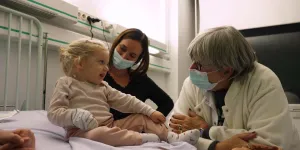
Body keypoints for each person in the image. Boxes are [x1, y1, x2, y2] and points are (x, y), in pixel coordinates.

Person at [47, 39, 201, 147]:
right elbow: (53, 113)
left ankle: (171, 137)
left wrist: (149, 111)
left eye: (106, 64)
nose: (106, 68)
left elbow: (127, 100)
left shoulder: (103, 86)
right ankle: (141, 139)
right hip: (82, 132)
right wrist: (74, 115)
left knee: (141, 118)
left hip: (110, 125)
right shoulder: (66, 83)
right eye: (101, 62)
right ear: (80, 63)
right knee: (99, 134)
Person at [168, 26, 300, 150]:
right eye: (193, 61)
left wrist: (207, 131)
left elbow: (267, 145)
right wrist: (217, 146)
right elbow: (173, 135)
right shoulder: (192, 84)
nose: (192, 69)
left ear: (227, 70)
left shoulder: (264, 82)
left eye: (200, 65)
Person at [104, 28, 174, 120]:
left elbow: (167, 103)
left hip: (133, 133)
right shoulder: (97, 73)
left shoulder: (140, 80)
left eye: (132, 55)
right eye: (122, 48)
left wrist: (146, 124)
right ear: (116, 44)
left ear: (137, 60)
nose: (124, 56)